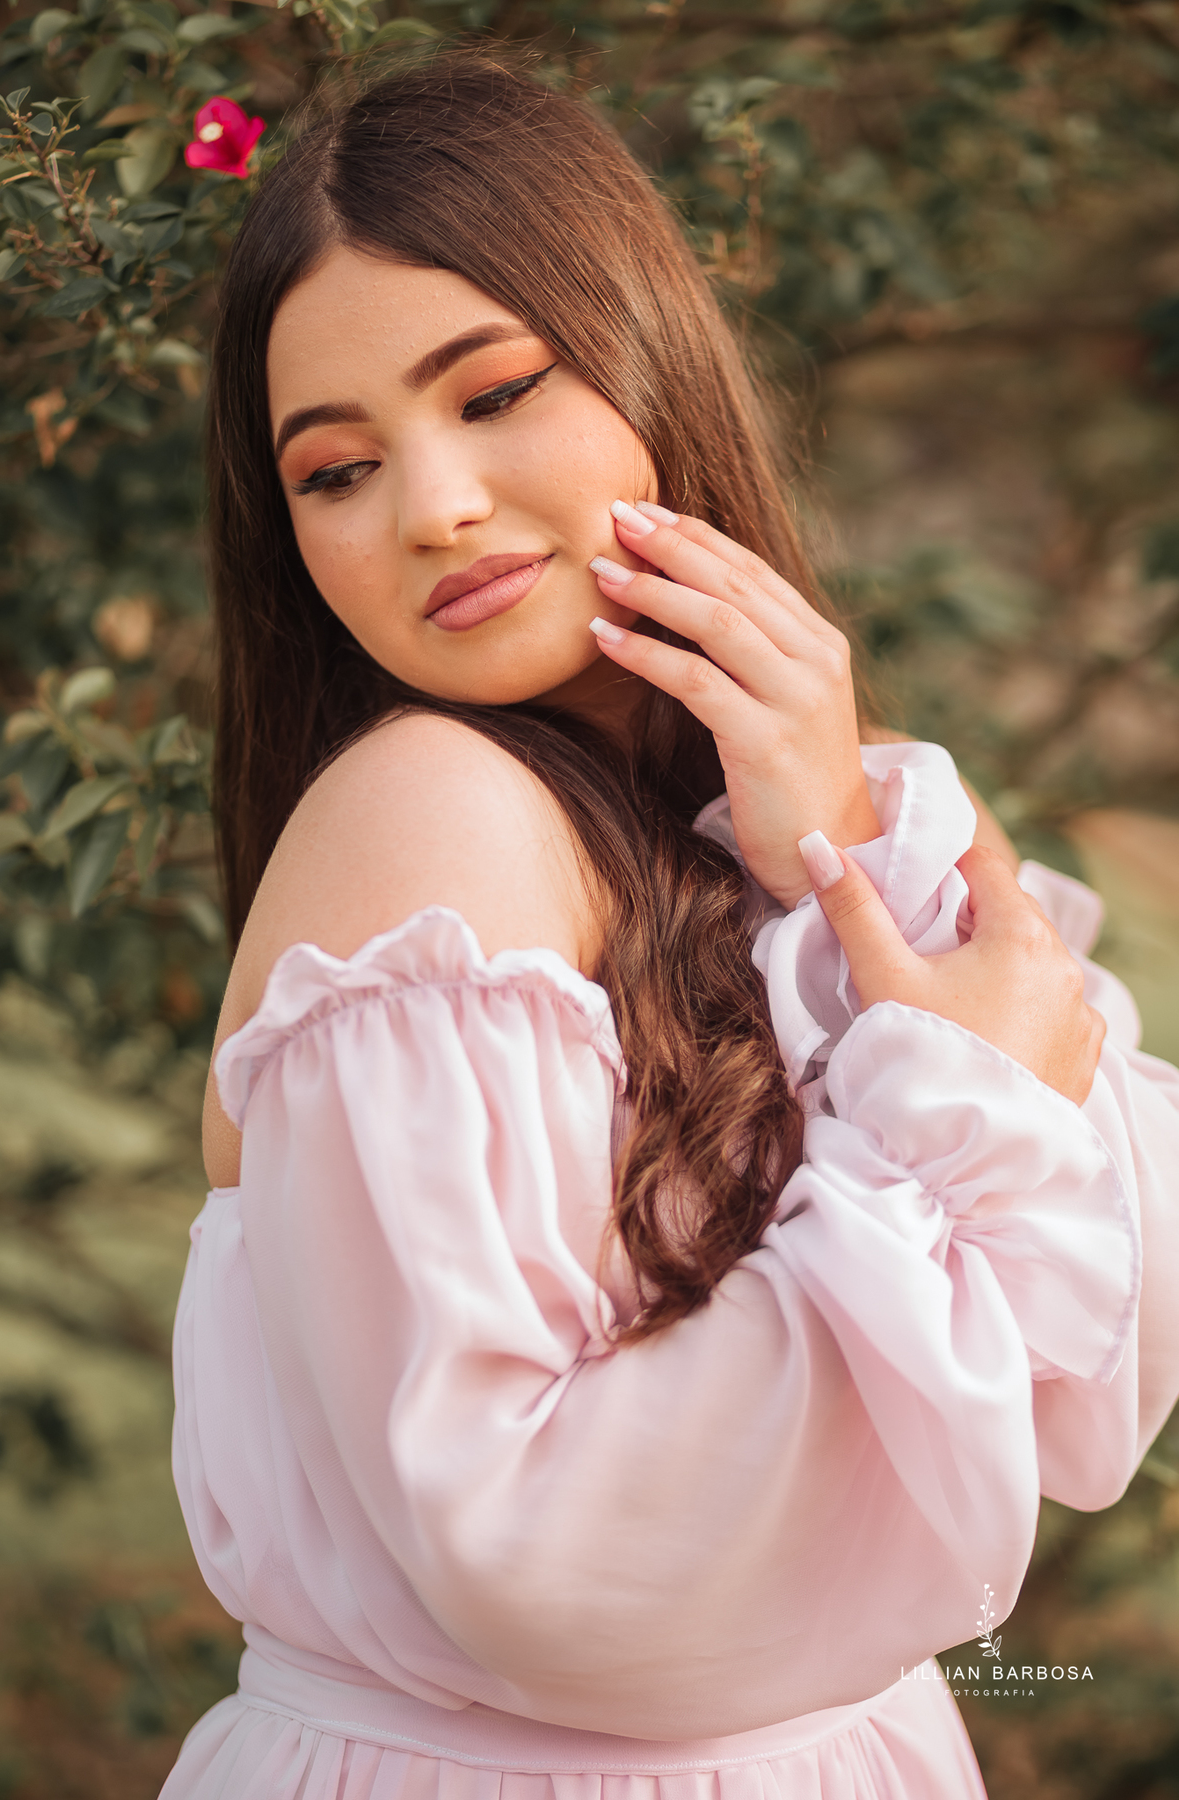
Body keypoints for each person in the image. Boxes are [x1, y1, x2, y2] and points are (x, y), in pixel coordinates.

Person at [161, 49, 1179, 1800]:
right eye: (335, 472)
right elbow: (534, 1557)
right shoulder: (429, 820)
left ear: (644, 352)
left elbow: (1110, 1356)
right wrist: (949, 1127)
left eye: (492, 393)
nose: (435, 508)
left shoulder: (808, 811)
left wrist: (833, 854)